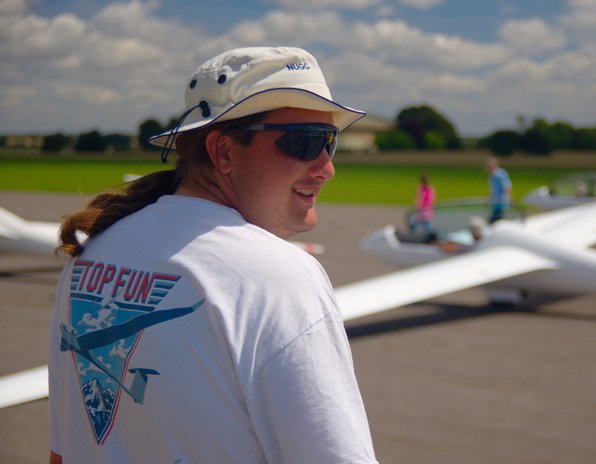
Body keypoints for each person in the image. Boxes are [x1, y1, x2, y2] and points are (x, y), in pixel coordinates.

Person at [48, 47, 378, 464]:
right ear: (223, 152)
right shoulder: (279, 274)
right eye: (304, 142)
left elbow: (63, 452)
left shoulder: (91, 254)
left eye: (330, 142)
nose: (326, 167)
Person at [484, 156, 512, 223]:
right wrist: (491, 197)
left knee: (497, 218)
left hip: (500, 200)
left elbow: (506, 186)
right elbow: (494, 189)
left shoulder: (499, 175)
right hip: (495, 200)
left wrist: (509, 197)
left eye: (490, 166)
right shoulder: (492, 175)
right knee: (496, 216)